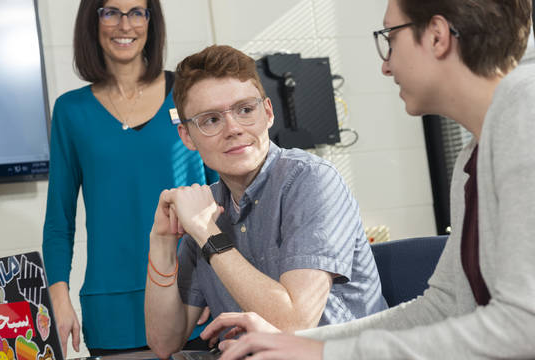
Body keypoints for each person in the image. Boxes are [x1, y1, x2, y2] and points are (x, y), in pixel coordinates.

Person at [200, 0, 535, 359]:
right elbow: (447, 304)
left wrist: (325, 355)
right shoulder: (474, 154)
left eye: (390, 38)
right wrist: (302, 343)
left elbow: (524, 327)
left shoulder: (525, 114)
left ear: (437, 36)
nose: (385, 65)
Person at [144, 45, 387, 359]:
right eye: (211, 119)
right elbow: (164, 343)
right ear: (187, 137)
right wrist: (162, 241)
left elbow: (295, 327)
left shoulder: (312, 180)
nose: (234, 129)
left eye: (245, 110)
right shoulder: (209, 206)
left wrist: (207, 233)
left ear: (268, 112)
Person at [42, 0, 217, 356]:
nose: (126, 25)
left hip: (195, 300)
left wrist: (223, 281)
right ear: (93, 21)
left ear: (151, 22)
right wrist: (58, 300)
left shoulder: (189, 94)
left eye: (137, 12)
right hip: (113, 312)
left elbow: (225, 194)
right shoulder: (70, 112)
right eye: (111, 12)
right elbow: (59, 222)